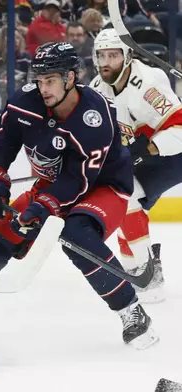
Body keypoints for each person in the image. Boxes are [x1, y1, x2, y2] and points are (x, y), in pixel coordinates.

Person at [0, 42, 158, 349]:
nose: (42, 88)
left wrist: (42, 207)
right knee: (3, 236)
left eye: (50, 80)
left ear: (70, 78)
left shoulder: (95, 115)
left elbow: (77, 180)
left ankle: (132, 310)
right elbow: (3, 142)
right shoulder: (25, 102)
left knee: (77, 236)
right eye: (39, 80)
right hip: (50, 186)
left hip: (102, 188)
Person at [90, 28, 182, 303]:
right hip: (141, 155)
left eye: (114, 55)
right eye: (102, 55)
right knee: (120, 200)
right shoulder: (96, 89)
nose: (107, 61)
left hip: (173, 152)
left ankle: (147, 271)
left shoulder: (148, 84)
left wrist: (146, 149)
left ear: (128, 56)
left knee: (126, 195)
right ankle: (137, 271)